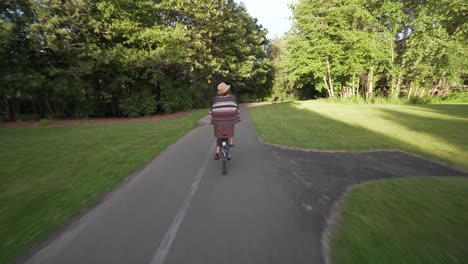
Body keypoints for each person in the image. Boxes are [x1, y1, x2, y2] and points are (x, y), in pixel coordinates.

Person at [209, 82, 240, 160]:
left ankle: (217, 151)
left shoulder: (216, 99)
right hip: (229, 120)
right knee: (231, 120)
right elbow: (236, 107)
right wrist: (236, 111)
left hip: (218, 121)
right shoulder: (232, 97)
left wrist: (211, 112)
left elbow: (213, 109)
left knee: (219, 134)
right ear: (227, 90)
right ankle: (231, 140)